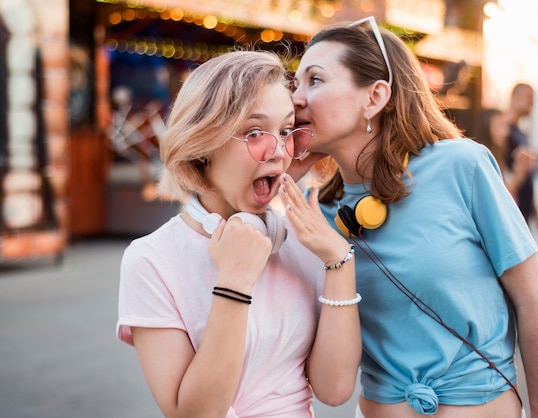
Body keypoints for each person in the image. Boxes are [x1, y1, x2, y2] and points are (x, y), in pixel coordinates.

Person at [289, 16, 538, 418]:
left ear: (374, 97)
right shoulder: (318, 217)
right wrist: (284, 174)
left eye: (314, 80)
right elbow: (330, 383)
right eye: (294, 84)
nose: (296, 98)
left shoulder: (461, 166)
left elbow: (533, 300)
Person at [116, 50, 362, 418]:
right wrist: (234, 282)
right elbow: (195, 414)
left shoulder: (301, 241)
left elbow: (334, 389)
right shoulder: (151, 260)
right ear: (204, 145)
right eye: (254, 132)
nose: (279, 152)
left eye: (286, 131)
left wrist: (338, 262)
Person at [504, 83, 538, 230]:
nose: (532, 104)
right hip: (511, 213)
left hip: (524, 214)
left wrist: (536, 211)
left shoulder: (520, 133)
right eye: (529, 98)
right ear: (515, 98)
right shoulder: (503, 132)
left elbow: (528, 175)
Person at [478, 108, 536, 199]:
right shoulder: (483, 161)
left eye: (505, 125)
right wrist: (519, 174)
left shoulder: (500, 156)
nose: (505, 132)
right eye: (499, 126)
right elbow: (497, 199)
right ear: (486, 128)